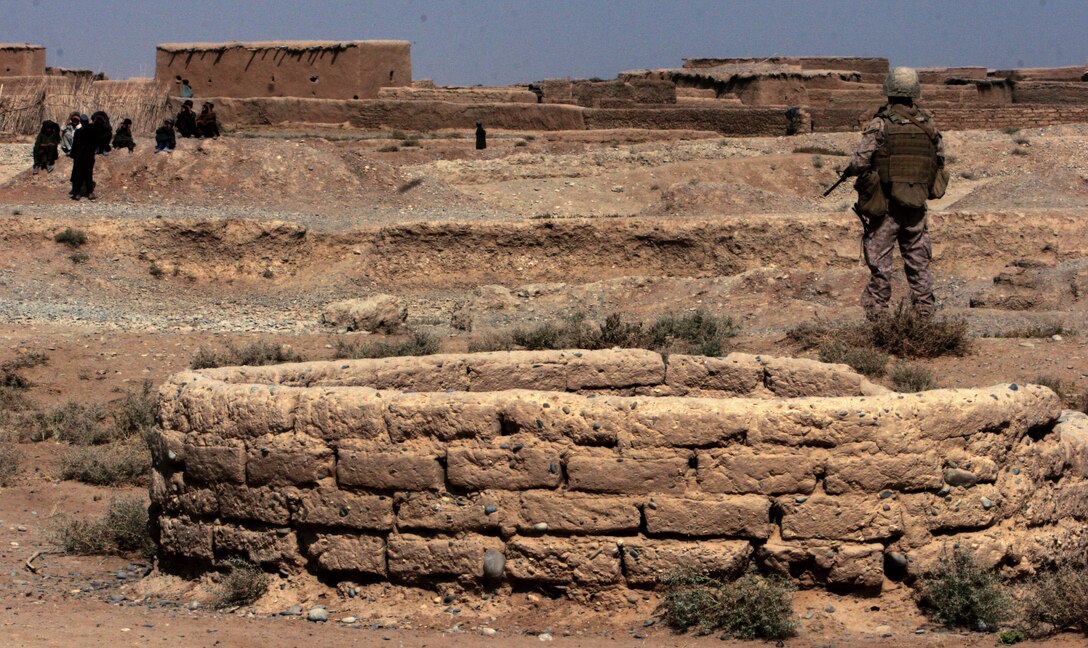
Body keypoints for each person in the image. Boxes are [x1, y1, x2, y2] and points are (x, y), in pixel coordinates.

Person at [844, 66, 945, 319]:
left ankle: (878, 315)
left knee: (880, 263)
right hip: (915, 205)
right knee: (918, 262)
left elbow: (860, 162)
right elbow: (939, 160)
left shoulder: (880, 124)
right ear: (914, 91)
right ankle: (924, 312)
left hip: (887, 206)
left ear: (889, 90)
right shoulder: (929, 125)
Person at [69, 114, 97, 200]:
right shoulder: (93, 131)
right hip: (89, 157)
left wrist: (73, 155)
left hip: (79, 157)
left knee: (78, 174)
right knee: (88, 174)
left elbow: (75, 145)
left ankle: (77, 193)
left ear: (80, 121)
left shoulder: (78, 131)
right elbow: (95, 143)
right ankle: (90, 193)